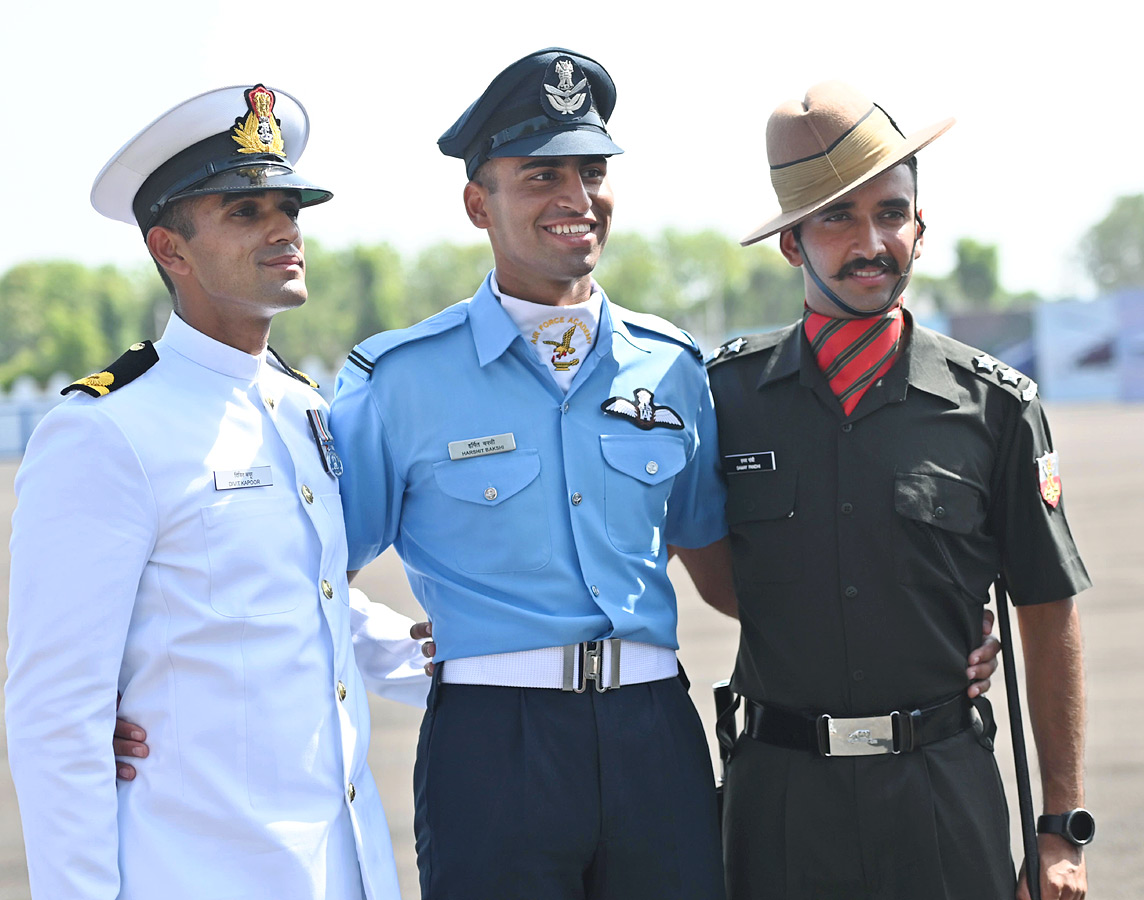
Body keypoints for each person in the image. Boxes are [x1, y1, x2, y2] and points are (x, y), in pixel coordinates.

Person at [5, 84, 430, 900]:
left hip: (343, 870)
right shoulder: (107, 432)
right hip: (199, 873)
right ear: (171, 249)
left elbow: (310, 600)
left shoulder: (304, 406)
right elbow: (59, 718)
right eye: (245, 212)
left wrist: (468, 655)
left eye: (290, 207)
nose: (284, 229)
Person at [329, 48, 730, 899]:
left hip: (655, 733)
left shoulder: (673, 369)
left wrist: (900, 641)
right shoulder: (397, 381)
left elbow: (729, 573)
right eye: (543, 175)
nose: (577, 199)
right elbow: (312, 572)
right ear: (479, 202)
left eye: (593, 171)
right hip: (491, 747)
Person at [698, 82, 1092, 900]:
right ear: (792, 243)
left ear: (920, 225)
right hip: (779, 806)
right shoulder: (720, 401)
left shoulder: (997, 407)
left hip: (942, 796)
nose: (870, 241)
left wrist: (1060, 830)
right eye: (837, 218)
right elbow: (709, 568)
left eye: (891, 212)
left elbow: (1047, 610)